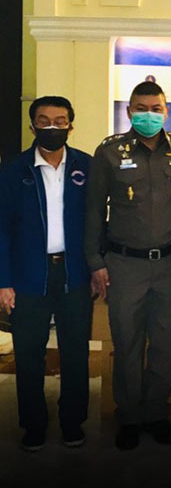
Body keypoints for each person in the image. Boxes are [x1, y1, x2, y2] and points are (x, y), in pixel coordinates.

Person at [84, 81, 171, 450]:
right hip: (124, 264)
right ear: (129, 111)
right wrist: (95, 261)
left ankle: (156, 413)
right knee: (127, 342)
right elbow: (92, 212)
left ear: (166, 111)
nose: (148, 114)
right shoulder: (109, 152)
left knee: (166, 342)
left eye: (155, 108)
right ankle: (129, 415)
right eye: (140, 108)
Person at [0, 96, 93, 451]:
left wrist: (97, 267)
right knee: (28, 354)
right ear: (32, 126)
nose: (52, 127)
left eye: (60, 121)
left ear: (71, 125)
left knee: (75, 352)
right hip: (28, 277)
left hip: (74, 274)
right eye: (44, 121)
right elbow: (1, 229)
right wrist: (3, 281)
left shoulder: (87, 166)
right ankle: (33, 424)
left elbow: (97, 223)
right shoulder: (13, 171)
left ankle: (72, 422)